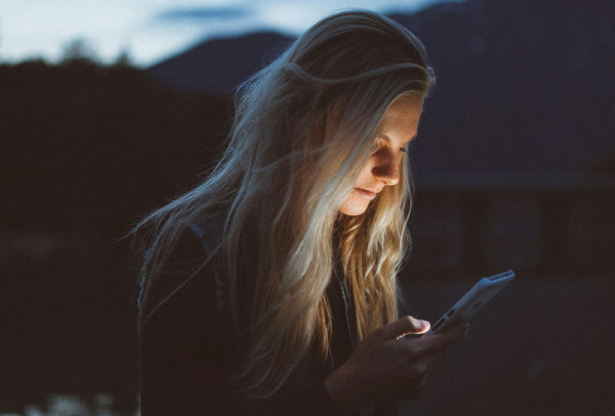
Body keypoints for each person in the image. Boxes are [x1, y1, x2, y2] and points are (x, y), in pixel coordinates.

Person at [133, 9, 467, 416]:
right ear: (306, 121)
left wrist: (384, 383)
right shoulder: (201, 254)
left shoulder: (355, 252)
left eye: (401, 147)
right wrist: (349, 390)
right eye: (372, 142)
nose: (392, 174)